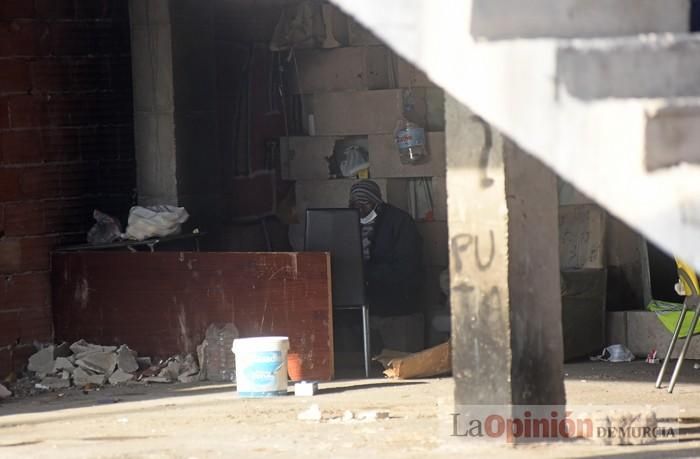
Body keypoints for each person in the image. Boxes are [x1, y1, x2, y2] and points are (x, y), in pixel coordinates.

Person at [348, 180, 423, 317]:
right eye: (355, 204)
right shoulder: (346, 222)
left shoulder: (399, 222)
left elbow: (407, 265)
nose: (360, 209)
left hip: (396, 307)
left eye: (365, 203)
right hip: (359, 310)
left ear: (377, 203)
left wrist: (366, 272)